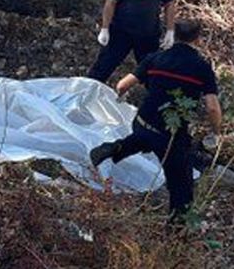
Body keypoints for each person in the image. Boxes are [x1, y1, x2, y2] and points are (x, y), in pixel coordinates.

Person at [89, 20, 222, 220]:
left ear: (174, 36)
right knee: (181, 184)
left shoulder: (156, 58)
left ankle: (117, 147)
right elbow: (212, 107)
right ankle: (178, 228)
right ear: (198, 39)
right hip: (172, 131)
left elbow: (122, 84)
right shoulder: (201, 67)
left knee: (144, 136)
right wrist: (216, 132)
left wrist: (121, 97)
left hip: (143, 121)